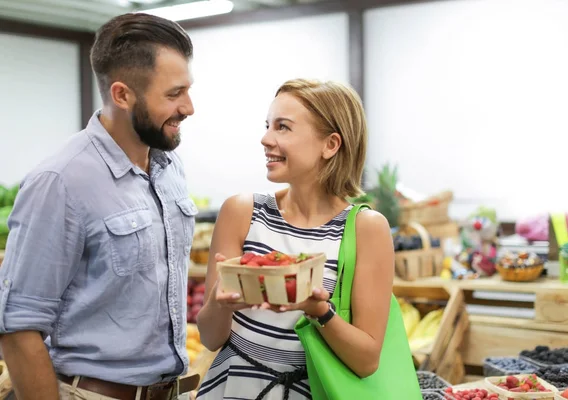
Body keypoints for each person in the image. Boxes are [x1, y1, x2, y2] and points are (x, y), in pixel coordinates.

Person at [0, 12, 200, 400]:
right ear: (122, 95)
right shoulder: (61, 182)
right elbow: (17, 326)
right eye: (174, 94)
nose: (189, 107)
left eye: (188, 90)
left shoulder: (168, 165)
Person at [195, 79, 395, 399]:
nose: (265, 138)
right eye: (267, 125)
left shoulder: (366, 229)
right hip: (231, 389)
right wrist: (221, 301)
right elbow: (209, 337)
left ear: (330, 145)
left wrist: (319, 310)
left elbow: (366, 360)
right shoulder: (242, 212)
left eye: (283, 127)